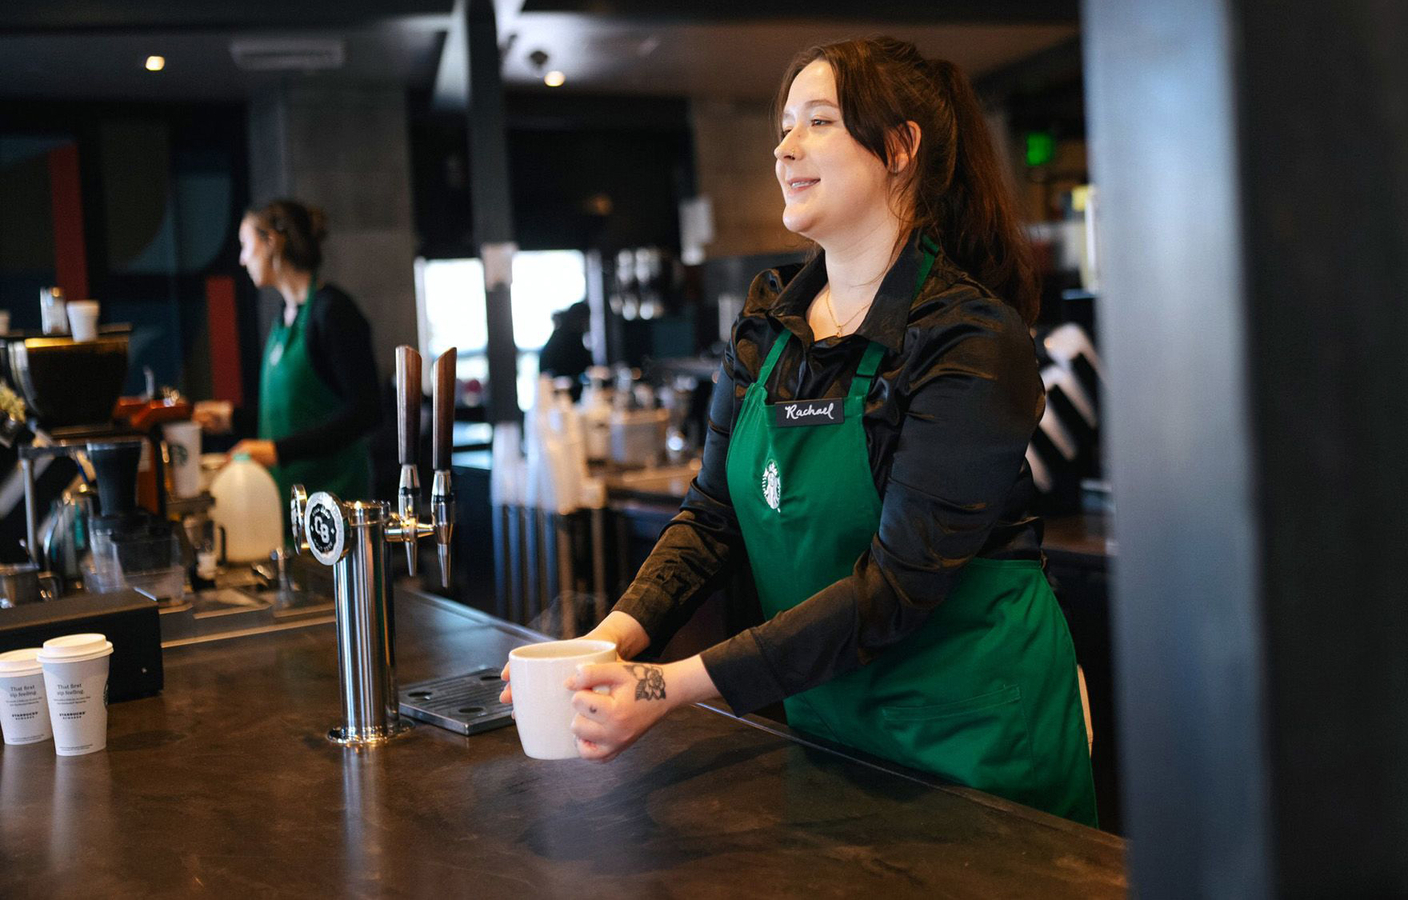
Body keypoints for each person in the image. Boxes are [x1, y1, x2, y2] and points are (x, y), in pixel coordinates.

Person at [502, 37, 1097, 825]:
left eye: (818, 122)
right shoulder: (769, 323)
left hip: (973, 737)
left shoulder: (969, 338)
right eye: (784, 126)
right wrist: (607, 645)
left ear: (899, 148)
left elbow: (896, 587)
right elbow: (711, 517)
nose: (785, 149)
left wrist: (671, 685)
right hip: (831, 729)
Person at [200, 199, 381, 508]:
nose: (242, 260)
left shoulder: (333, 313)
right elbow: (294, 414)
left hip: (334, 502)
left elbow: (365, 412)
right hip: (292, 499)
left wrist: (276, 451)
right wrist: (231, 417)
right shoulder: (285, 316)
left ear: (271, 242)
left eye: (246, 245)